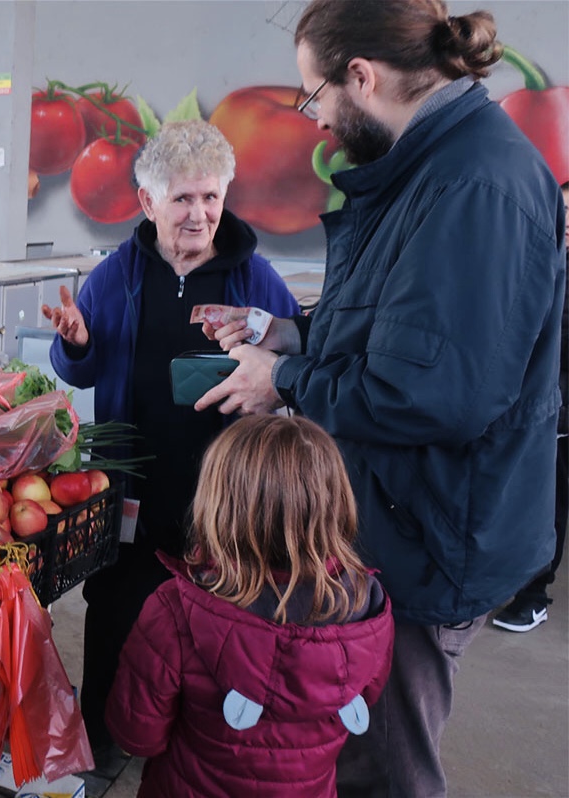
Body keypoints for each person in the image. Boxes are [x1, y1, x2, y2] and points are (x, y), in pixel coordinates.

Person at [195, 2, 566, 795]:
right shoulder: (430, 167)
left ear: (362, 77)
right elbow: (402, 323)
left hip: (433, 534)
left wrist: (282, 380)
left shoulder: (474, 185)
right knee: (358, 739)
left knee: (386, 762)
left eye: (313, 94)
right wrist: (293, 333)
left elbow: (433, 393)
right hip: (400, 519)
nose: (318, 118)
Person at [41, 118, 300, 771]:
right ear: (149, 202)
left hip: (225, 490)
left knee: (221, 620)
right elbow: (83, 370)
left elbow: (294, 351)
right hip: (135, 483)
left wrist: (275, 350)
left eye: (211, 197)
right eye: (184, 198)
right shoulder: (116, 276)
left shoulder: (255, 280)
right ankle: (101, 738)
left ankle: (196, 749)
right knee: (117, 611)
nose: (200, 213)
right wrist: (75, 344)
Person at [105, 415, 395, 798]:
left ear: (216, 503)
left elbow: (137, 734)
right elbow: (366, 695)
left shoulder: (174, 610)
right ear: (336, 503)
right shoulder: (365, 606)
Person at [494, 180, 569, 632]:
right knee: (533, 501)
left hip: (558, 411)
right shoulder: (534, 262)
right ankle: (526, 588)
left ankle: (534, 593)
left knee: (550, 503)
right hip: (532, 410)